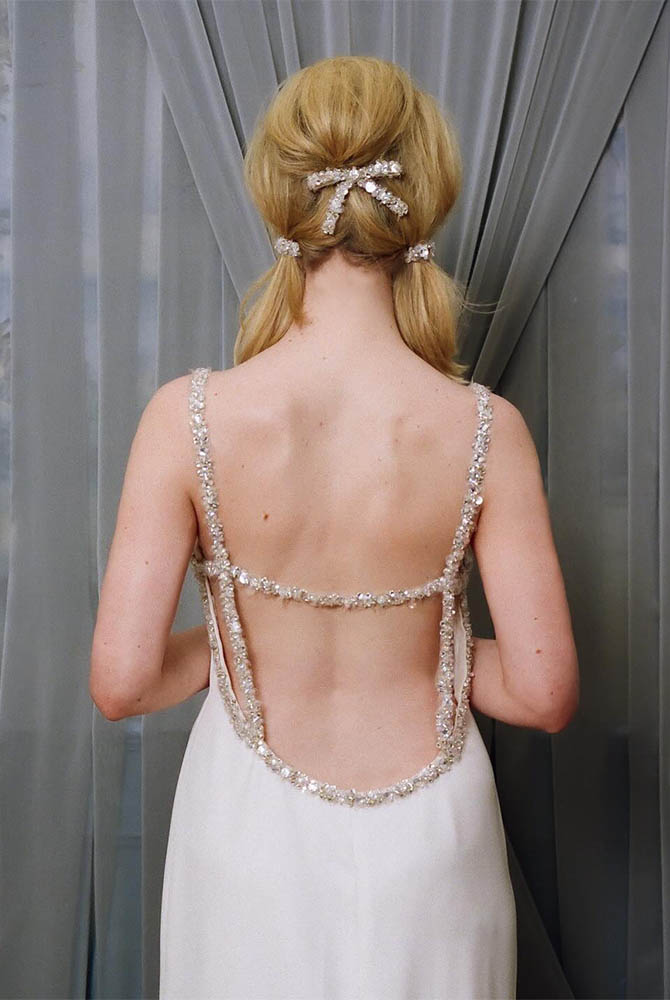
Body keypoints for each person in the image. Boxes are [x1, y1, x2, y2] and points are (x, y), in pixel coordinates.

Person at [90, 55, 579, 1000]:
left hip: (244, 836)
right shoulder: (486, 429)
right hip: (434, 845)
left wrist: (249, 631)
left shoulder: (187, 418)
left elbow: (121, 681)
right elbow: (543, 690)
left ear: (282, 197)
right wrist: (412, 636)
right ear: (421, 201)